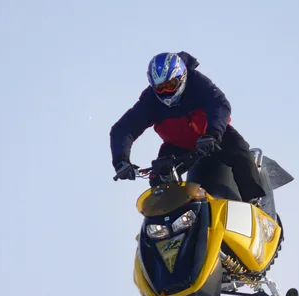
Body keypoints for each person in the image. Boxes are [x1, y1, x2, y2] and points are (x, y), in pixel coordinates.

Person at [110, 52, 266, 203]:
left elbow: (220, 104)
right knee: (159, 179)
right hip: (178, 146)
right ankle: (167, 224)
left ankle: (254, 202)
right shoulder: (149, 102)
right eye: (160, 88)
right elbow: (123, 129)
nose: (165, 92)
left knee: (240, 153)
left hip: (212, 136)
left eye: (171, 85)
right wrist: (121, 161)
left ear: (182, 77)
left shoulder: (198, 83)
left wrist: (212, 134)